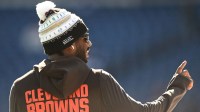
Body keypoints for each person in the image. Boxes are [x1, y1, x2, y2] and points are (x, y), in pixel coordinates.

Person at [9, 1, 193, 112]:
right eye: (85, 39)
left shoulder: (20, 89)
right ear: (71, 46)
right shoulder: (99, 82)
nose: (89, 44)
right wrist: (179, 86)